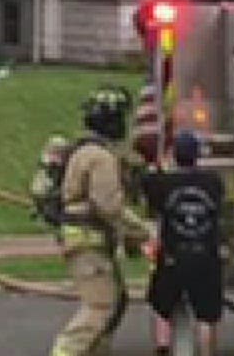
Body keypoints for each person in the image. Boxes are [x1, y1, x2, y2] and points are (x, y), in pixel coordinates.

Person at [51, 85, 154, 356]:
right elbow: (108, 206)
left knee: (116, 302)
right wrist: (144, 232)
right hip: (89, 241)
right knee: (99, 307)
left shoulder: (84, 151)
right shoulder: (100, 157)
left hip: (87, 239)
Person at [142, 130, 226, 356]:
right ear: (197, 155)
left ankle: (162, 347)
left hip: (172, 257)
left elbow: (146, 187)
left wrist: (157, 168)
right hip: (206, 257)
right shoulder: (213, 182)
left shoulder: (162, 183)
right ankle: (206, 351)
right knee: (206, 316)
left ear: (175, 155)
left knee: (162, 307)